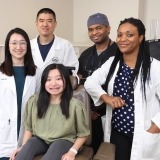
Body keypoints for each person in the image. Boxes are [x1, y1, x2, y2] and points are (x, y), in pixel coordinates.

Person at [84, 17, 160, 160]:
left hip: (144, 133)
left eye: (129, 35)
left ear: (141, 38)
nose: (122, 39)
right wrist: (106, 98)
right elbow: (90, 82)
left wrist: (155, 128)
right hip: (117, 133)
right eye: (119, 35)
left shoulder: (155, 67)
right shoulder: (113, 63)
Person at [10, 63, 90, 160]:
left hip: (64, 142)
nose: (53, 83)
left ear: (66, 81)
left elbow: (83, 134)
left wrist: (72, 152)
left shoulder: (75, 106)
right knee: (30, 143)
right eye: (48, 79)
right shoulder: (34, 102)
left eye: (58, 79)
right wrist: (23, 148)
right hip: (41, 141)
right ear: (44, 82)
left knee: (57, 145)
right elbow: (29, 128)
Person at [78, 13, 117, 153]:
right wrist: (89, 111)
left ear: (108, 29)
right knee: (90, 149)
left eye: (99, 28)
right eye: (91, 29)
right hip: (88, 113)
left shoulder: (119, 52)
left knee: (111, 150)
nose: (94, 32)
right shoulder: (85, 55)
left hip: (112, 111)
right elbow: (80, 84)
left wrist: (100, 109)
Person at [0, 28, 38, 160]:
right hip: (3, 132)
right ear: (7, 46)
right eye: (14, 43)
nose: (18, 47)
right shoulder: (0, 73)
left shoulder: (36, 74)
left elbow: (39, 103)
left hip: (28, 130)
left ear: (27, 46)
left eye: (22, 43)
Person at [30, 8, 79, 77]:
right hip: (33, 87)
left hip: (56, 87)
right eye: (41, 21)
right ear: (36, 23)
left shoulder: (65, 45)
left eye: (49, 21)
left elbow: (72, 71)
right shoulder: (28, 45)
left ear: (55, 24)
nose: (45, 24)